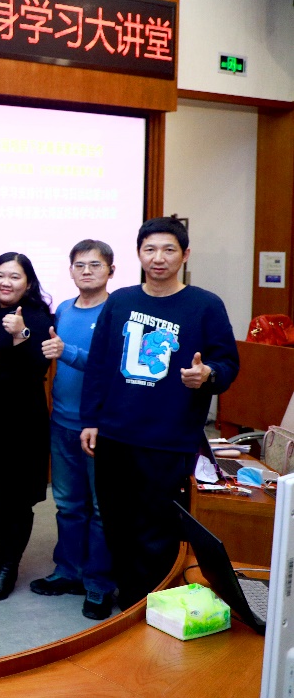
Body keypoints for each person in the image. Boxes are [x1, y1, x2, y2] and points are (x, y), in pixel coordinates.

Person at [82, 217, 240, 610]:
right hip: (115, 435)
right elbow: (99, 365)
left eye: (169, 249)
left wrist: (207, 374)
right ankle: (128, 601)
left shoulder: (205, 305)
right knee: (116, 523)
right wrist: (90, 420)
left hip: (169, 438)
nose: (158, 258)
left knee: (158, 529)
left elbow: (228, 364)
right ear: (139, 254)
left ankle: (149, 606)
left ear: (185, 255)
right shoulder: (120, 301)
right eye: (150, 249)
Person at [31, 239, 117, 620]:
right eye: (79, 265)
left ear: (111, 270)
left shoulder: (116, 311)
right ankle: (68, 571)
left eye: (95, 265)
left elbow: (109, 366)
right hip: (61, 423)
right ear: (70, 271)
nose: (86, 271)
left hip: (99, 427)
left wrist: (66, 351)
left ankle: (98, 584)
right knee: (67, 504)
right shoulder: (64, 309)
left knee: (101, 509)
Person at [0, 252, 53, 601]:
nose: (5, 282)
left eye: (14, 276)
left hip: (24, 421)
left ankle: (10, 565)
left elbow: (37, 368)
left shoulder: (39, 316)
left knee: (18, 498)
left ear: (28, 283)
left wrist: (22, 335)